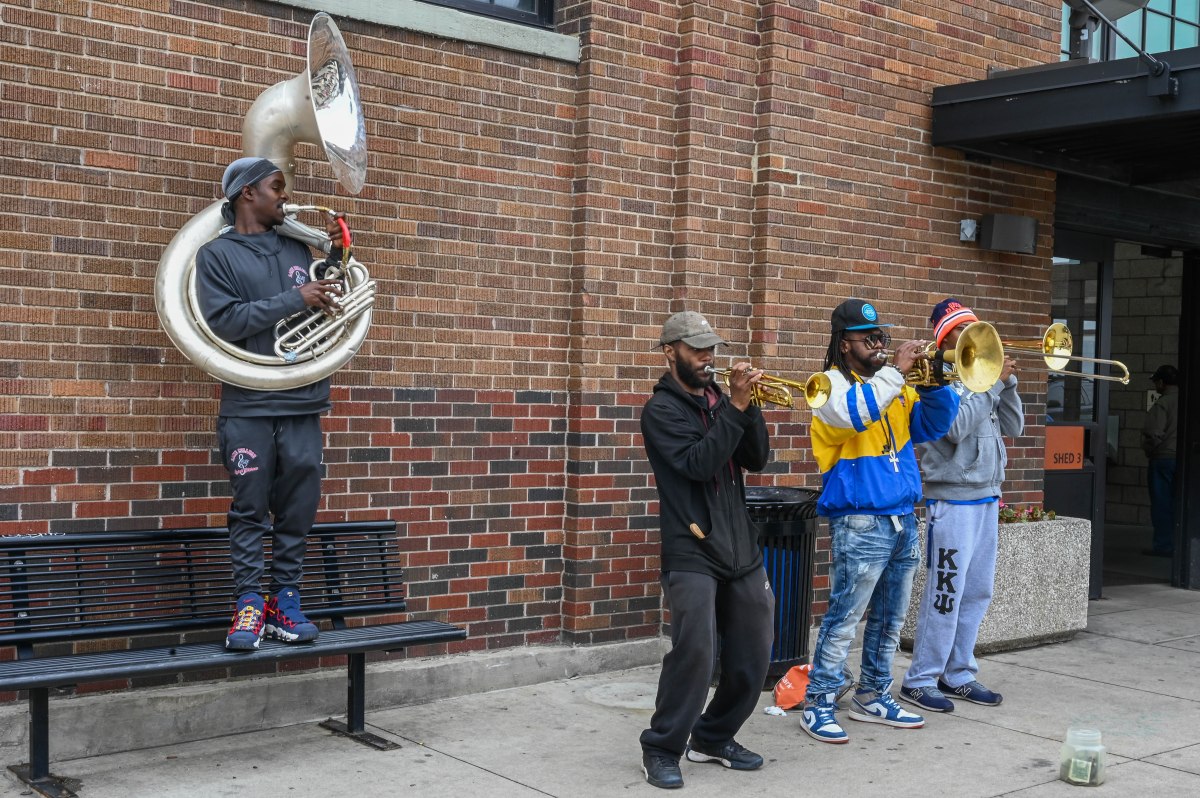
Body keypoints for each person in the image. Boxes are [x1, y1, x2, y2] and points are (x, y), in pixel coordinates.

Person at [196, 157, 349, 651]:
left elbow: (325, 303)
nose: (285, 196)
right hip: (248, 404)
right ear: (247, 193)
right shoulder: (215, 256)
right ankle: (248, 602)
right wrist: (295, 298)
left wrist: (336, 259)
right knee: (249, 510)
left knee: (298, 510)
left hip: (304, 399)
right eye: (276, 187)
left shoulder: (299, 248)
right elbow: (224, 322)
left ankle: (285, 599)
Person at [801, 298, 959, 744]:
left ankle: (872, 695)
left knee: (890, 621)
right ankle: (818, 702)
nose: (878, 344)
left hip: (902, 517)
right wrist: (897, 372)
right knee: (844, 618)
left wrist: (935, 384)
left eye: (881, 337)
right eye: (868, 338)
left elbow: (934, 426)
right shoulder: (828, 386)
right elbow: (856, 413)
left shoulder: (893, 387)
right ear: (844, 344)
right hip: (860, 520)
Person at [638, 310, 774, 790]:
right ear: (669, 351)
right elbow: (698, 464)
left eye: (711, 348)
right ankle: (661, 747)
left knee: (755, 652)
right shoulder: (661, 411)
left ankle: (713, 737)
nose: (707, 357)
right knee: (695, 651)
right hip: (691, 546)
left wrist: (749, 408)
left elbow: (757, 459)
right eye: (696, 349)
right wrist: (735, 408)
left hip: (740, 545)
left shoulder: (722, 399)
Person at [899, 299, 1023, 714]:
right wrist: (990, 386)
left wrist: (1007, 385)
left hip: (987, 496)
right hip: (952, 500)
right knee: (945, 593)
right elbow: (953, 429)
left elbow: (1015, 427)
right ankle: (920, 679)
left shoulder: (982, 380)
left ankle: (958, 673)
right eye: (958, 331)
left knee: (976, 592)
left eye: (972, 328)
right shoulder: (938, 379)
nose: (969, 336)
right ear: (943, 339)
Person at [1142, 364, 1179, 557]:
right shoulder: (1188, 400)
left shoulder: (1163, 403)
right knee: (1179, 504)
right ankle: (1181, 544)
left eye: (1156, 382)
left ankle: (1164, 545)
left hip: (1163, 459)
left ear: (1162, 383)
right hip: (1184, 461)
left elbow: (1153, 434)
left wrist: (1149, 450)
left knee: (1162, 504)